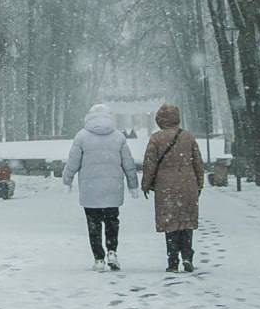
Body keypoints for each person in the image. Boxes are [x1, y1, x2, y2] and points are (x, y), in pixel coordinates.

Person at [63, 103, 139, 271]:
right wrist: (133, 185)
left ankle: (98, 258)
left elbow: (73, 162)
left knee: (94, 224)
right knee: (112, 221)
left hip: (90, 188)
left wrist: (67, 180)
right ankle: (112, 251)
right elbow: (128, 164)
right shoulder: (118, 137)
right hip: (113, 187)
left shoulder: (82, 136)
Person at [141, 103, 205, 273]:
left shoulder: (156, 138)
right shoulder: (188, 137)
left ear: (160, 120)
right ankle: (187, 255)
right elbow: (198, 162)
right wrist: (199, 183)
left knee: (170, 222)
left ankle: (173, 260)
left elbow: (149, 164)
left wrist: (146, 184)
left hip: (165, 186)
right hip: (188, 184)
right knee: (186, 221)